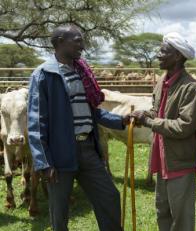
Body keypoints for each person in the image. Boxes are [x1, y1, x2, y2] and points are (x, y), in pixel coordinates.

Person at [27, 25, 128, 231]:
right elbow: (37, 123)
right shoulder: (43, 75)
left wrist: (122, 120)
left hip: (88, 149)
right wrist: (44, 162)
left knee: (109, 196)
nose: (82, 45)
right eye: (77, 40)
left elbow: (93, 112)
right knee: (60, 210)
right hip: (59, 154)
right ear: (61, 41)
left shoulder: (82, 72)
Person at [131, 32, 196, 231]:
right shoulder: (161, 82)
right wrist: (144, 114)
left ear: (178, 56)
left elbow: (184, 126)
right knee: (162, 212)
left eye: (164, 51)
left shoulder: (190, 88)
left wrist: (148, 121)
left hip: (180, 161)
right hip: (163, 159)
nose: (158, 55)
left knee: (181, 219)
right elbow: (158, 111)